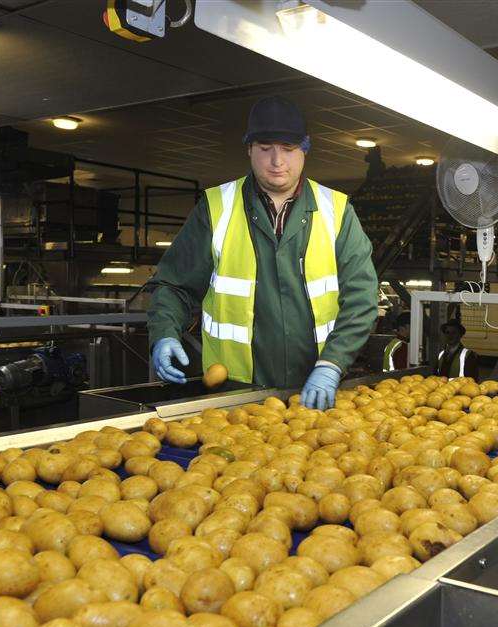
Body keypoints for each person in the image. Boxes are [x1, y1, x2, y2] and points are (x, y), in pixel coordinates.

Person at [148, 96, 378, 410]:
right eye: (265, 148)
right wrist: (164, 333)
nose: (277, 161)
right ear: (249, 150)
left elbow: (362, 296)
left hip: (314, 390)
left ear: (305, 149)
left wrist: (332, 365)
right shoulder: (217, 208)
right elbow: (174, 285)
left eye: (287, 148)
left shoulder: (336, 211)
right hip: (235, 396)